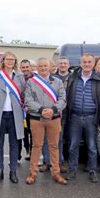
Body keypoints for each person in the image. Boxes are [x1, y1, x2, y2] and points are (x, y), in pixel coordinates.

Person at [24, 57, 67, 185]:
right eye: (41, 66)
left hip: (54, 118)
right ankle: (32, 173)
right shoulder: (31, 82)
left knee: (54, 146)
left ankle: (56, 173)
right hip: (37, 118)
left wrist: (53, 109)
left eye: (45, 66)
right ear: (37, 68)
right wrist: (42, 109)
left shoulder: (58, 82)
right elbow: (28, 100)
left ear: (50, 67)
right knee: (37, 146)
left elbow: (63, 99)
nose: (43, 68)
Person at [65, 53, 100, 183]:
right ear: (81, 63)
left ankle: (92, 171)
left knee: (92, 146)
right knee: (73, 145)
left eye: (89, 62)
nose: (87, 64)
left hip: (91, 118)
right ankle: (72, 170)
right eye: (84, 62)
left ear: (93, 64)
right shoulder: (73, 78)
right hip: (75, 117)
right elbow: (67, 96)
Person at [0, 51, 25, 184]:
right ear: (3, 61)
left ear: (15, 62)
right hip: (0, 114)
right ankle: (0, 170)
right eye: (8, 59)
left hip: (15, 114)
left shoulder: (20, 76)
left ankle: (13, 171)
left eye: (12, 60)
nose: (10, 62)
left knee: (14, 143)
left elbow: (23, 94)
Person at [19, 59, 33, 161]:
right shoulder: (17, 78)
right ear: (20, 68)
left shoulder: (36, 79)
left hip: (32, 111)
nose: (25, 69)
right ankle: (24, 151)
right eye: (23, 67)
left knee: (32, 132)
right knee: (22, 133)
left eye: (27, 67)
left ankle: (32, 152)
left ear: (30, 67)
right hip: (20, 111)